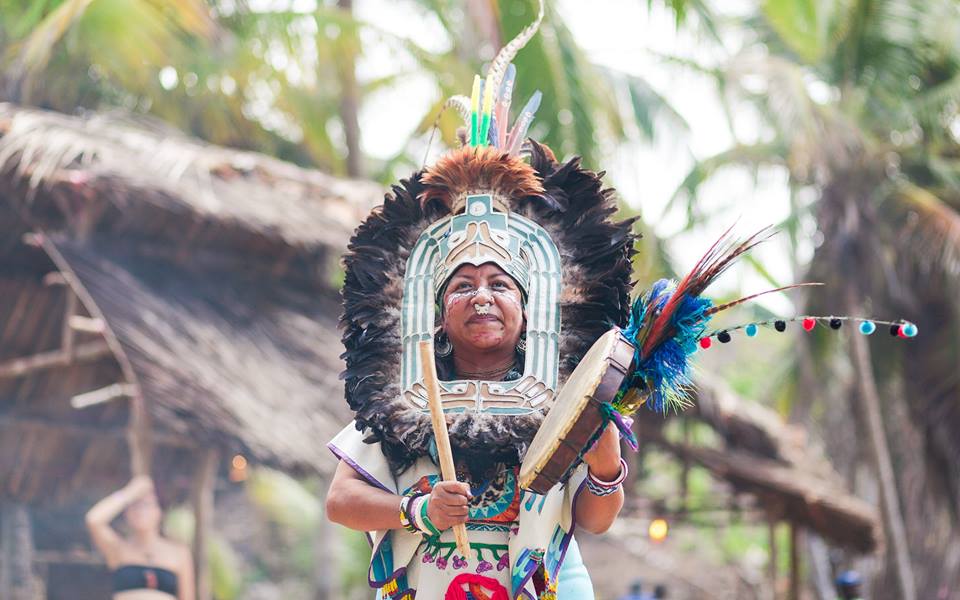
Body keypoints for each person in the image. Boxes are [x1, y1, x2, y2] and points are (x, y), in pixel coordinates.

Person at [325, 2, 637, 597]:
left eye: (499, 285)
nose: (482, 297)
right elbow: (342, 501)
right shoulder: (399, 402)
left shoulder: (567, 400)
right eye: (462, 286)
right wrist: (417, 512)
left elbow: (595, 519)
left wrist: (603, 459)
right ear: (437, 314)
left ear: (531, 310)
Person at [86, 476, 195, 600]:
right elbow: (93, 520)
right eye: (134, 505)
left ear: (159, 511)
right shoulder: (118, 549)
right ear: (126, 512)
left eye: (146, 505)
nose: (140, 511)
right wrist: (128, 493)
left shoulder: (179, 553)